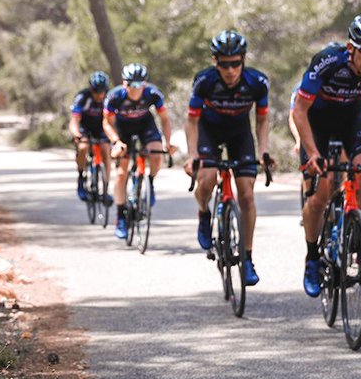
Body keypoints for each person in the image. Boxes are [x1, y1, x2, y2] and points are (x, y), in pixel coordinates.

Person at [291, 13, 361, 296]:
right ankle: (312, 257)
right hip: (318, 121)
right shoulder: (327, 60)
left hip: (351, 118)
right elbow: (300, 110)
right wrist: (313, 153)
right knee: (321, 193)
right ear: (351, 49)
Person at [183, 30, 274, 286]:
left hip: (240, 134)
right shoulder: (204, 81)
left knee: (246, 195)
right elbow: (192, 120)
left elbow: (263, 119)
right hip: (209, 133)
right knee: (207, 180)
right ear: (215, 61)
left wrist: (264, 151)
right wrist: (192, 155)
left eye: (236, 63)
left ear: (243, 60)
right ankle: (203, 211)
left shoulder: (257, 82)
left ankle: (246, 258)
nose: (231, 70)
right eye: (225, 64)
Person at [102, 63, 172, 239]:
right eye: (131, 84)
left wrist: (167, 142)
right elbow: (107, 123)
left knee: (156, 154)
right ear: (124, 84)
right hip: (122, 128)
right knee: (122, 172)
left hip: (145, 125)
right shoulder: (115, 96)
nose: (135, 89)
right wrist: (116, 142)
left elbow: (164, 119)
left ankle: (149, 182)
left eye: (139, 84)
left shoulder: (153, 94)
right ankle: (121, 216)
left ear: (145, 84)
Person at [70, 71, 111, 202]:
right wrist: (76, 134)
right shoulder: (82, 97)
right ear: (91, 89)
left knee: (106, 150)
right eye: (96, 91)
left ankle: (105, 187)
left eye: (102, 91)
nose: (99, 95)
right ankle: (81, 177)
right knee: (83, 148)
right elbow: (74, 120)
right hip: (85, 127)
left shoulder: (109, 98)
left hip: (102, 127)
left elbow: (114, 120)